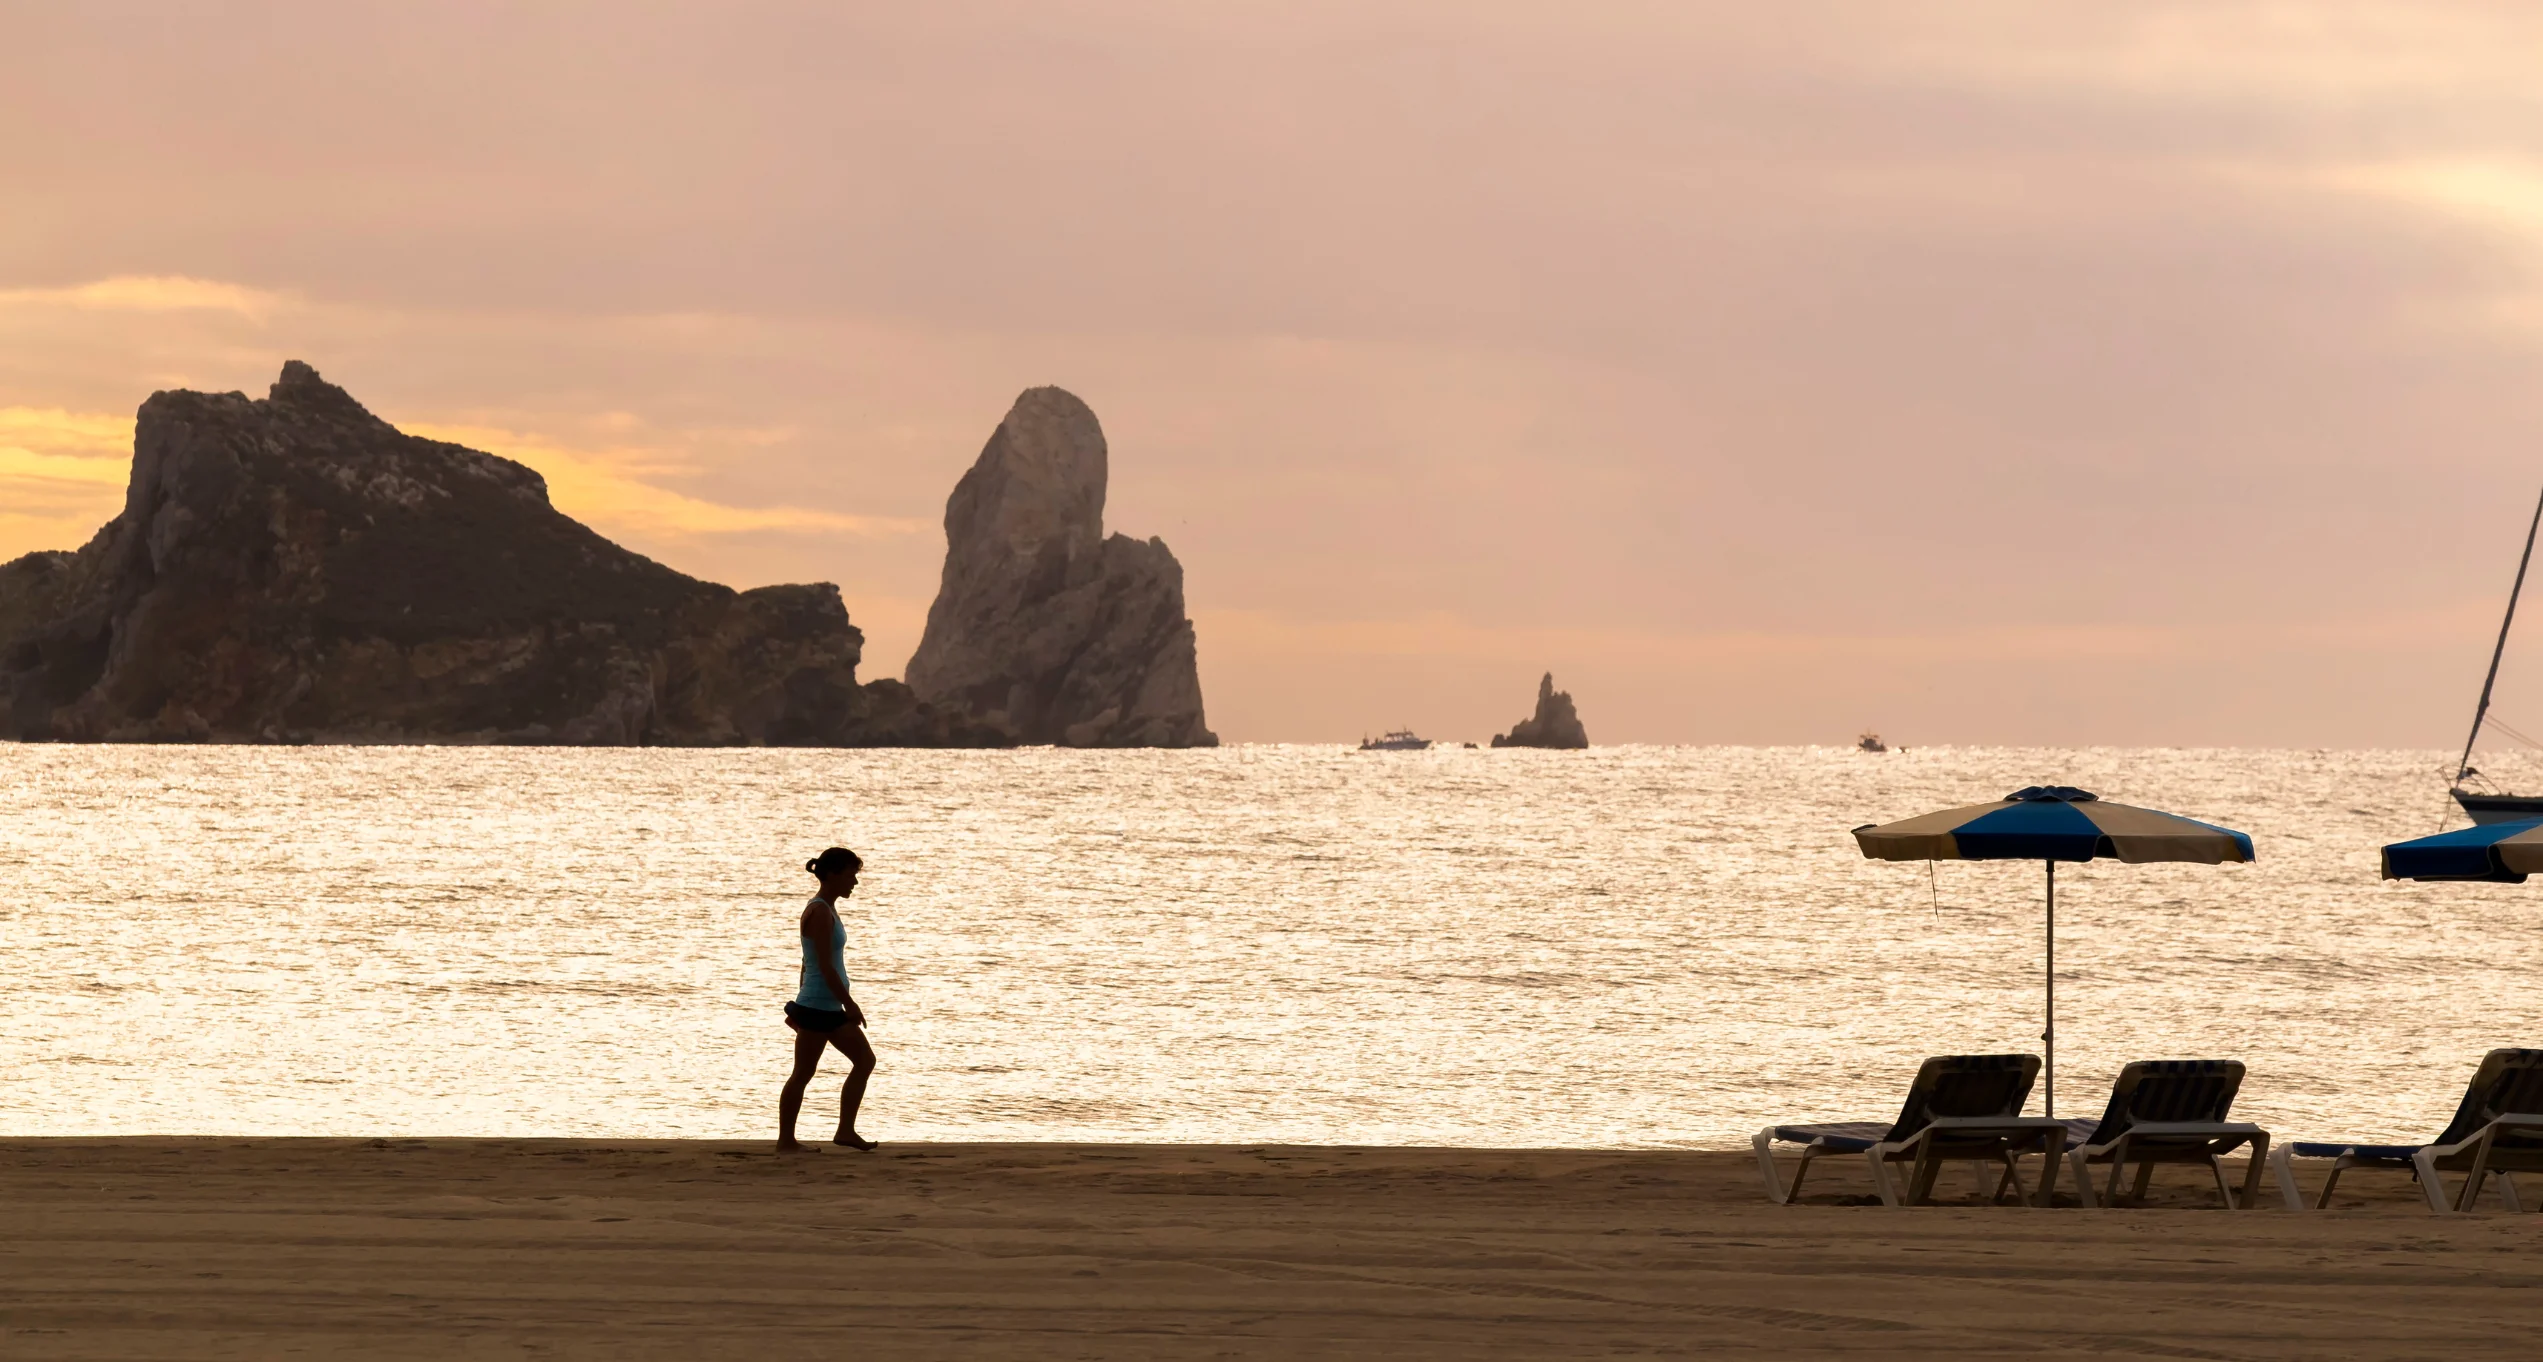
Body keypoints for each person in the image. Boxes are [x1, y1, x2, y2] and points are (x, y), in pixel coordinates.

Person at [778, 846, 878, 1151]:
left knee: (864, 1061)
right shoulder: (819, 911)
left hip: (822, 1004)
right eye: (850, 876)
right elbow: (821, 964)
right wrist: (850, 1003)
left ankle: (845, 1131)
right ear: (833, 875)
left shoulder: (827, 908)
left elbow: (808, 963)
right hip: (819, 1007)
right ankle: (786, 1141)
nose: (854, 883)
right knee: (804, 1073)